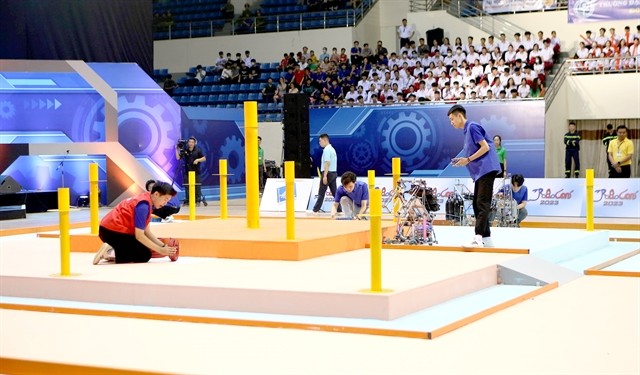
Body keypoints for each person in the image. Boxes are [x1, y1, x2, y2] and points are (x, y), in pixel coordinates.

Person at [448, 104, 501, 248]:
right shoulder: (467, 132)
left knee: (482, 204)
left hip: (487, 169)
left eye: (452, 119)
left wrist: (468, 160)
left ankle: (477, 238)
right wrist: (463, 161)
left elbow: (486, 147)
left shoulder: (472, 127)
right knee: (477, 205)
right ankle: (487, 239)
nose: (451, 123)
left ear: (460, 115)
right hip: (481, 172)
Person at [93, 181, 179, 264]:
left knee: (143, 249)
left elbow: (147, 232)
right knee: (144, 255)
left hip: (108, 229)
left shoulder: (146, 200)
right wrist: (160, 250)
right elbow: (140, 236)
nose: (165, 203)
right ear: (156, 194)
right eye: (165, 199)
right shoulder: (143, 206)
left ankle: (112, 250)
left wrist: (163, 246)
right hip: (112, 232)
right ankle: (110, 251)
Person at [176, 137, 206, 205]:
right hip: (187, 171)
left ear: (194, 143)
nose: (191, 143)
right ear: (188, 143)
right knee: (187, 186)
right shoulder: (185, 150)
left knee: (197, 186)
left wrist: (198, 160)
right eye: (190, 142)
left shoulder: (198, 150)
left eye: (192, 142)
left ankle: (198, 199)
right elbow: (178, 157)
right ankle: (188, 199)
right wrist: (176, 149)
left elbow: (204, 158)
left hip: (196, 171)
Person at [312, 133, 338, 213]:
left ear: (325, 140)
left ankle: (315, 209)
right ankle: (339, 209)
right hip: (333, 173)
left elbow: (327, 163)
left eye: (320, 141)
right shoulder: (332, 149)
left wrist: (325, 176)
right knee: (335, 193)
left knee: (321, 192)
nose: (319, 143)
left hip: (328, 173)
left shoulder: (327, 150)